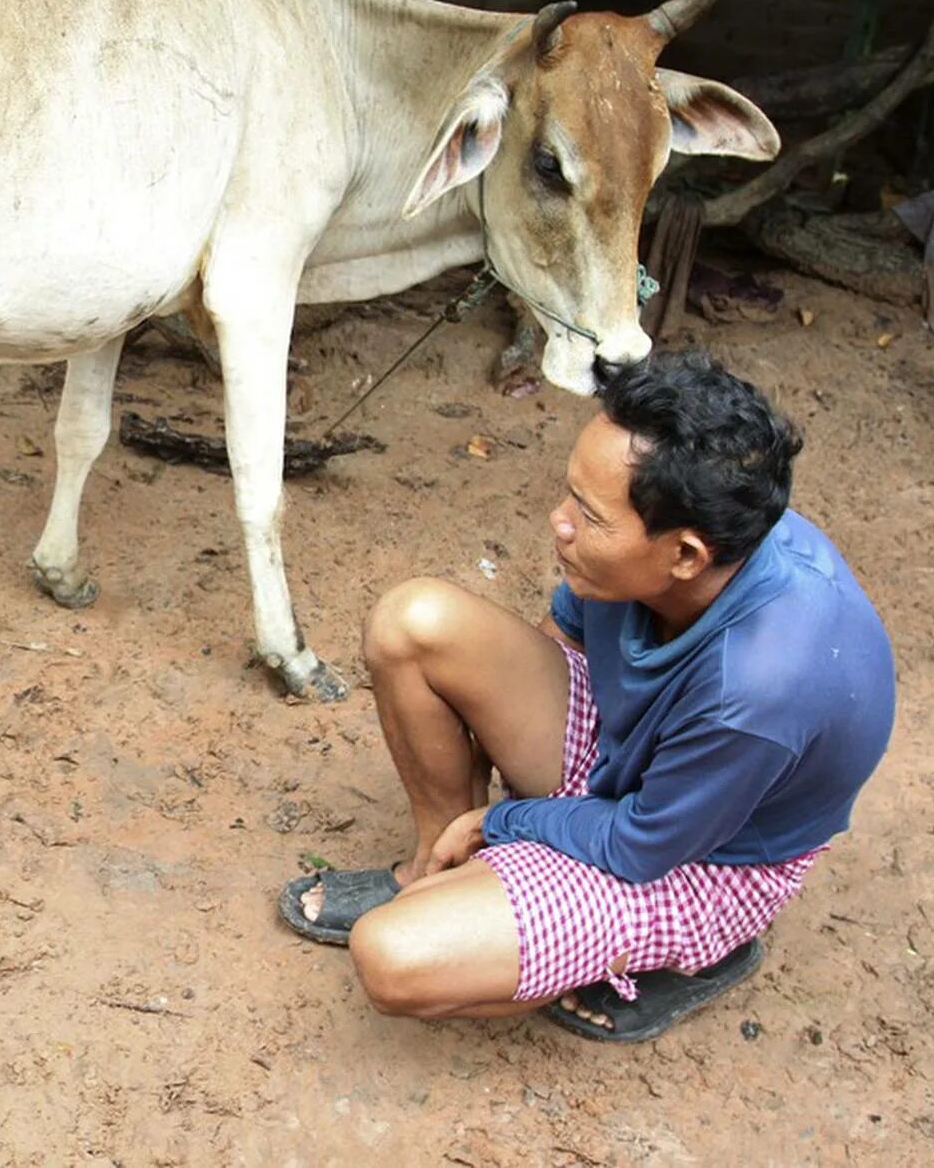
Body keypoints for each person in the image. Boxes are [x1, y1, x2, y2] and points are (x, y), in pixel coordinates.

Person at [280, 350, 894, 1041]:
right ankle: (436, 866)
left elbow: (641, 843)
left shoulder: (757, 688)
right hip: (628, 751)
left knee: (393, 958)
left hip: (700, 854)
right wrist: (516, 751)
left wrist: (505, 824)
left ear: (686, 555)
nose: (558, 521)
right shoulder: (694, 525)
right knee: (410, 624)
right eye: (570, 493)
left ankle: (700, 950)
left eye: (590, 516)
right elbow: (564, 636)